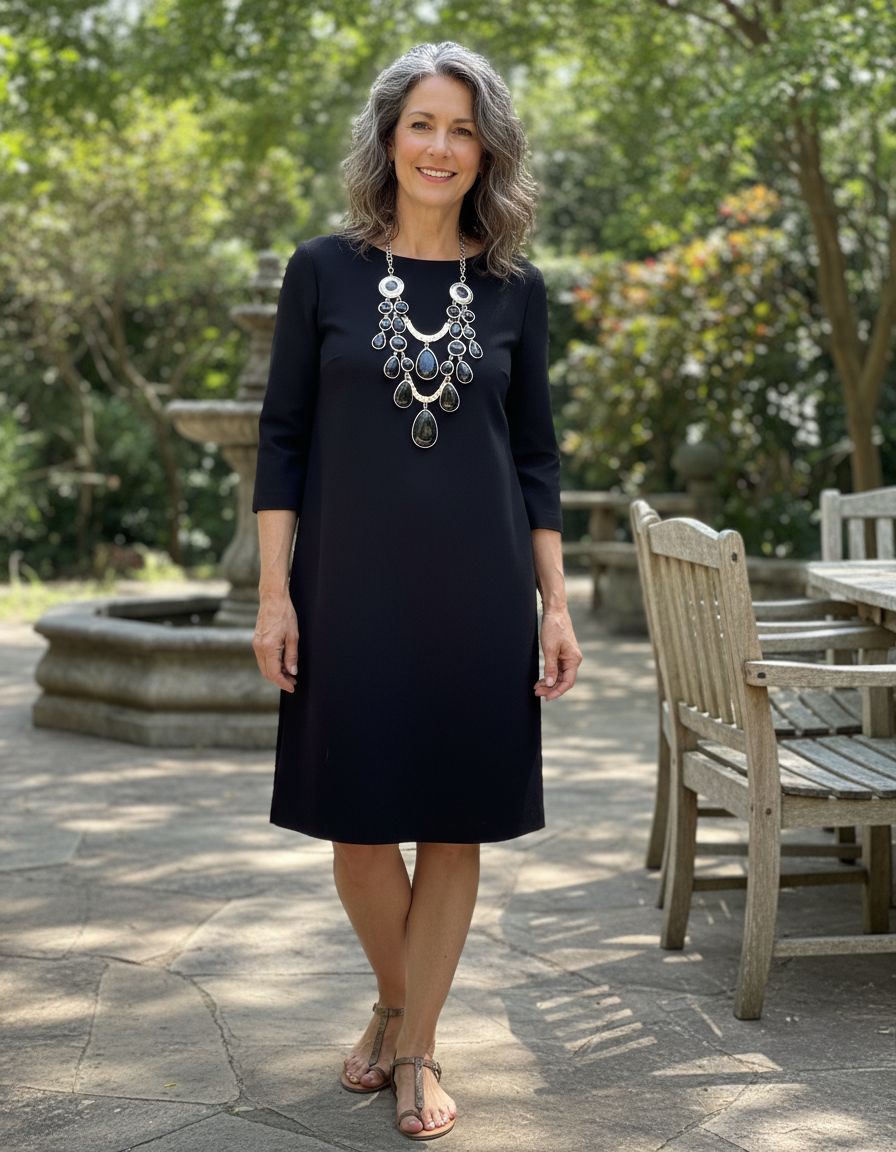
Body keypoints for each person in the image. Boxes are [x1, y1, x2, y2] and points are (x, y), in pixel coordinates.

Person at [251, 40, 582, 1141]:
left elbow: (534, 459)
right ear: (387, 140)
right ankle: (397, 1002)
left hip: (478, 589)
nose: (439, 148)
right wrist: (274, 594)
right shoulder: (322, 271)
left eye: (460, 129)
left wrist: (556, 603)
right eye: (420, 126)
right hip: (345, 586)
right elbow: (282, 442)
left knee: (452, 824)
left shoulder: (515, 289)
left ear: (484, 148)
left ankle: (415, 1050)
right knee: (357, 825)